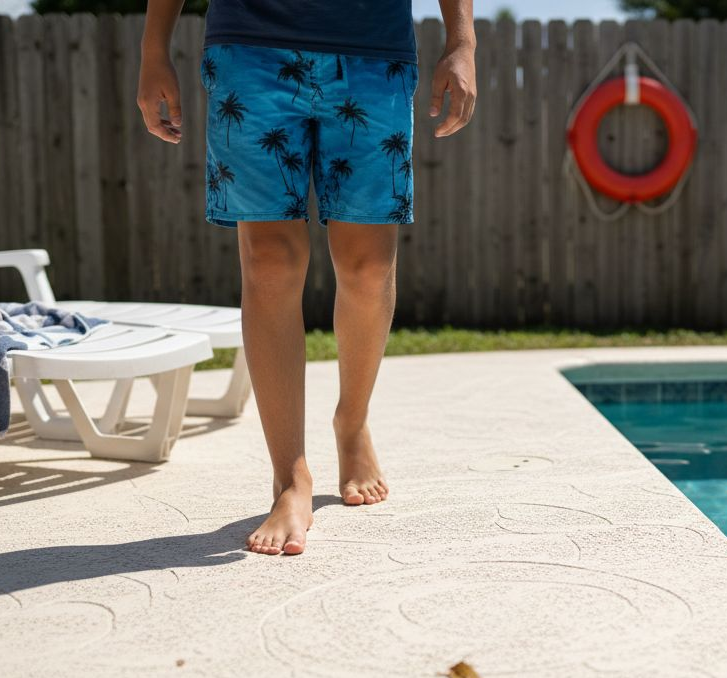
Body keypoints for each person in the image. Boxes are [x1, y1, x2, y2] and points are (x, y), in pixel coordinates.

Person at [136, 0, 476, 555]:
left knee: (368, 267)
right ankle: (289, 478)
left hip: (372, 49)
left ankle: (352, 422)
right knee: (269, 263)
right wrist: (155, 49)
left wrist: (462, 41)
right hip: (250, 43)